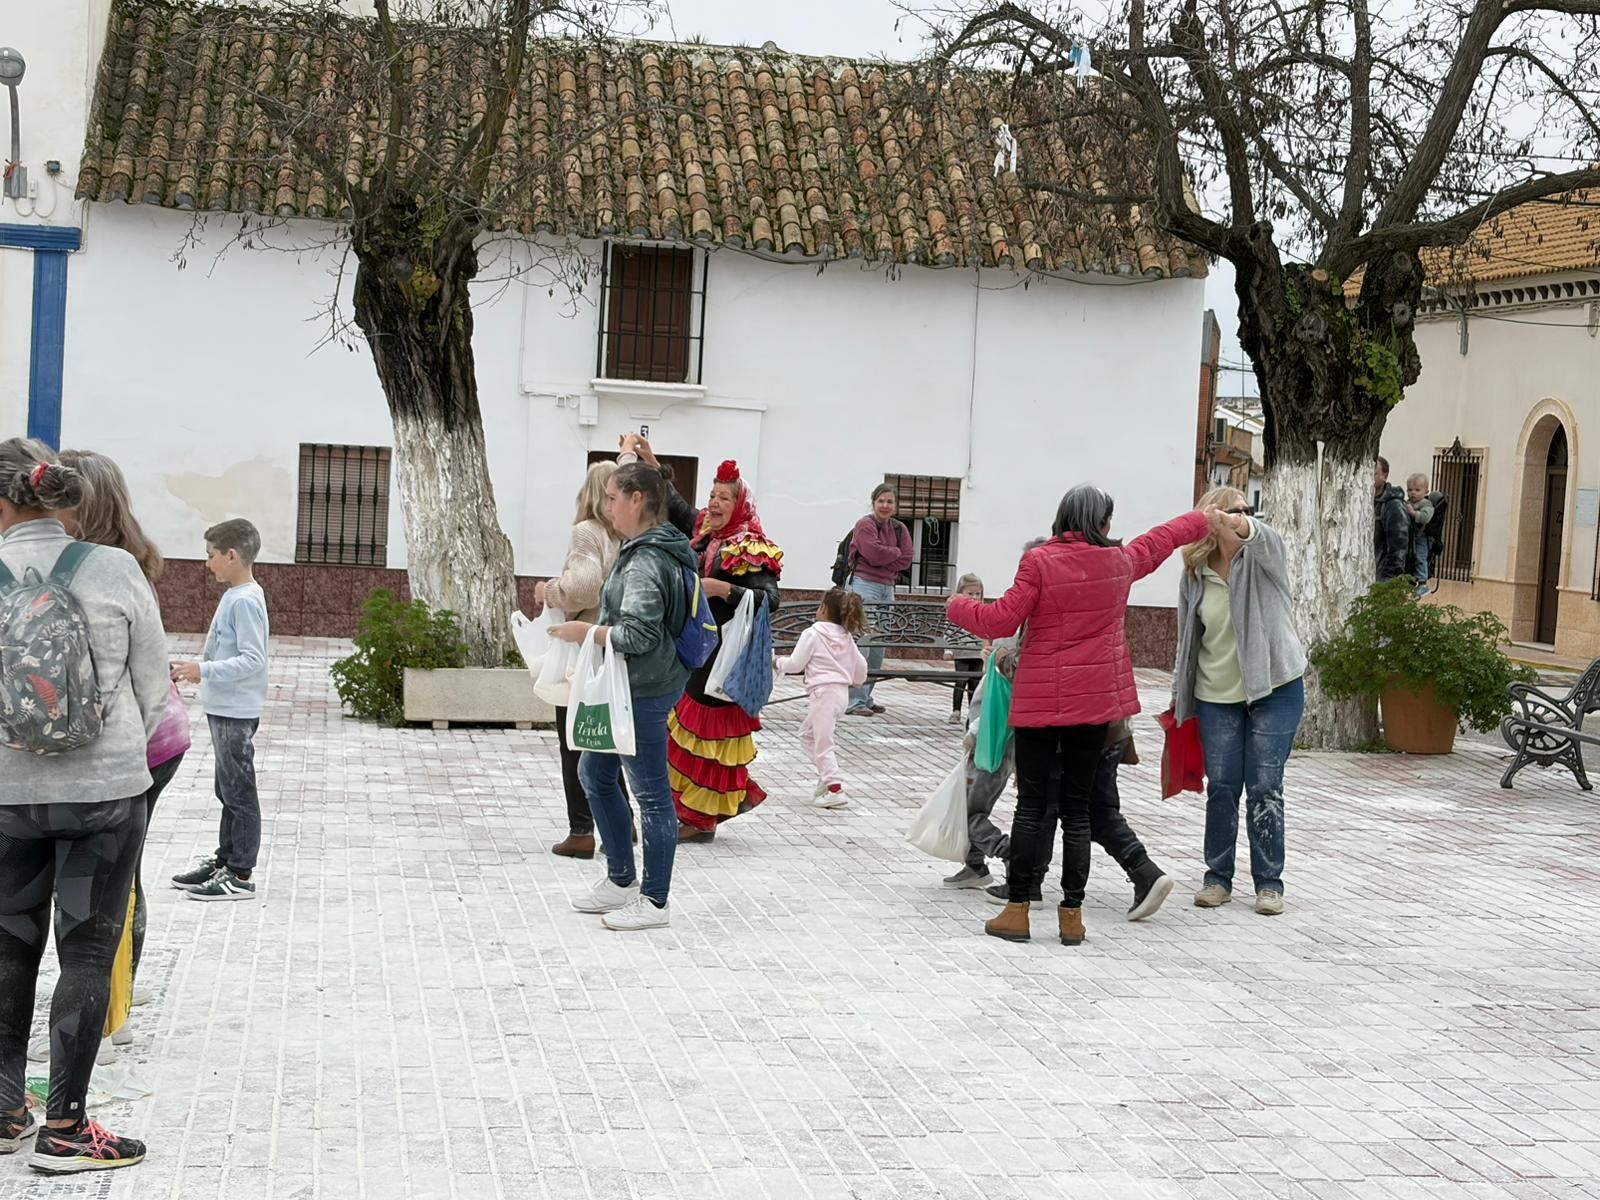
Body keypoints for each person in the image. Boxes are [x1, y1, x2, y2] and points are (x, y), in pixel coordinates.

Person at [947, 485, 1212, 946]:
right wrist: (1203, 518)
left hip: (1039, 706)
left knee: (1030, 808)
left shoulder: (1039, 562)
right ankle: (1072, 917)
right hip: (1094, 708)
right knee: (1077, 812)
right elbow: (1162, 538)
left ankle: (1019, 911)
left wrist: (956, 606)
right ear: (1101, 523)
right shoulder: (1119, 563)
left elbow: (1001, 621)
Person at [0, 438, 165, 1172]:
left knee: (8, 943)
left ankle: (5, 1106)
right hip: (104, 792)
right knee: (88, 951)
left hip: (6, 794)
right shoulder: (116, 568)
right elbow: (154, 684)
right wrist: (112, 740)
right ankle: (66, 1128)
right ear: (57, 494)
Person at [56, 449, 190, 1002]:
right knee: (114, 874)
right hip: (134, 742)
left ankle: (112, 1011)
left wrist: (128, 756)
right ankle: (110, 1000)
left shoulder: (111, 571)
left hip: (147, 746)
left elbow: (147, 682)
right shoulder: (101, 563)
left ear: (82, 507)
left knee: (114, 877)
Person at [549, 462, 697, 931]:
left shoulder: (649, 558)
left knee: (652, 795)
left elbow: (636, 634)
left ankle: (654, 901)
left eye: (614, 497)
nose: (607, 505)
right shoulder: (649, 548)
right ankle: (619, 880)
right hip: (634, 686)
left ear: (637, 499)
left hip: (644, 689)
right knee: (594, 771)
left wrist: (585, 632)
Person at [621, 440, 784, 843]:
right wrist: (653, 463)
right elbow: (676, 507)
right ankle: (721, 803)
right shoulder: (707, 534)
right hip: (698, 646)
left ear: (740, 503)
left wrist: (721, 590)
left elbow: (771, 600)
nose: (713, 503)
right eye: (711, 495)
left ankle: (700, 818)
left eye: (723, 497)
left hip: (723, 656)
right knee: (687, 732)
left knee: (704, 734)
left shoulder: (750, 546)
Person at [1173, 486, 1306, 916]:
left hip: (1274, 686)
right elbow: (1187, 638)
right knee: (1223, 788)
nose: (1245, 516)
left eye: (1249, 511)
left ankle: (1269, 884)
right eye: (1235, 510)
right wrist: (1180, 696)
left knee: (1265, 787)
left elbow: (1267, 538)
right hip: (1217, 692)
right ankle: (1217, 878)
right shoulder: (1195, 571)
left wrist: (1238, 522)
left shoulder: (1263, 556)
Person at [169, 519, 269, 902]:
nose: (207, 563)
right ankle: (225, 859)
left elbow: (253, 659)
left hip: (236, 710)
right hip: (224, 706)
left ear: (232, 555)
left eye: (211, 555)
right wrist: (197, 669)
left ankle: (240, 872)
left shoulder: (245, 600)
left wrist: (204, 670)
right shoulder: (235, 594)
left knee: (239, 790)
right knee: (225, 787)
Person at [537, 462, 627, 860]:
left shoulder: (587, 532)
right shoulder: (626, 535)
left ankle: (581, 830)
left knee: (574, 738)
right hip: (617, 644)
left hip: (586, 645)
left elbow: (583, 586)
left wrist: (549, 591)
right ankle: (621, 826)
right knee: (610, 737)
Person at [774, 587, 868, 808]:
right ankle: (827, 776)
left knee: (823, 742)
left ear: (823, 610)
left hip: (823, 694)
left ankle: (835, 788)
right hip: (841, 694)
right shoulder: (846, 636)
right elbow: (861, 667)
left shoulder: (813, 633)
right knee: (807, 735)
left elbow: (796, 664)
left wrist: (778, 662)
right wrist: (856, 680)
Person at [845, 484, 913, 717]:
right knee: (862, 644)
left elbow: (906, 559)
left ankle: (865, 696)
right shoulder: (865, 525)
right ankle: (854, 700)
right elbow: (872, 554)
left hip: (888, 588)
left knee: (878, 647)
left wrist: (886, 555)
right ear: (873, 502)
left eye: (889, 502)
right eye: (881, 501)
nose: (885, 506)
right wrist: (891, 553)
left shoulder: (900, 529)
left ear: (895, 505)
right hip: (864, 586)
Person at [947, 574, 988, 725]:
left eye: (977, 594)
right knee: (960, 681)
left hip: (977, 654)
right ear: (960, 592)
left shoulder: (982, 610)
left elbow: (986, 632)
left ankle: (973, 713)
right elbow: (949, 632)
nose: (974, 597)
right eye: (970, 593)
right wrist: (948, 650)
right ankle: (956, 710)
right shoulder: (957, 611)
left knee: (975, 683)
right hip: (962, 653)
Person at [1373, 457, 1410, 582]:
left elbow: (1398, 548)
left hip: (1381, 580)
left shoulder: (1394, 506)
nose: (1369, 477)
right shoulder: (1364, 502)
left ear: (1385, 475)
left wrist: (1387, 580)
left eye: (1374, 473)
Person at [1404, 473, 1435, 596]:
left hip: (1421, 537)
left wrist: (1413, 514)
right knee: (1410, 558)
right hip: (1410, 537)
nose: (1413, 493)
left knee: (1420, 558)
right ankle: (1412, 580)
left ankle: (1423, 583)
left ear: (1426, 491)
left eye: (1417, 490)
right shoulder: (1407, 502)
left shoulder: (1426, 504)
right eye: (1410, 490)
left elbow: (1426, 517)